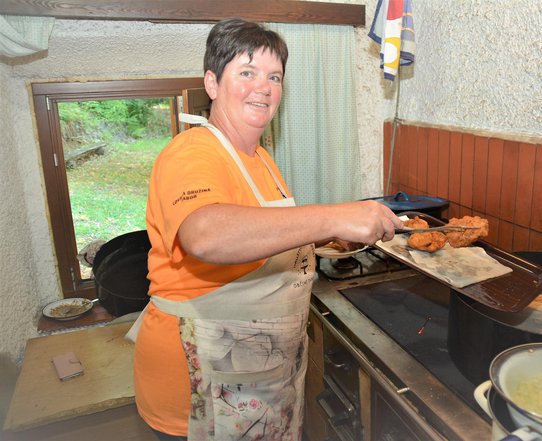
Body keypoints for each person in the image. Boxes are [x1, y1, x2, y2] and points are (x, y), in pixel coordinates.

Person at [130, 18, 403, 441]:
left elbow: (263, 236)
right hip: (202, 380)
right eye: (247, 72)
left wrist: (328, 235)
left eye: (274, 76)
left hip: (260, 375)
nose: (264, 86)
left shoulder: (260, 158)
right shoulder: (191, 152)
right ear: (212, 83)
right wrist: (331, 215)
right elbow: (206, 235)